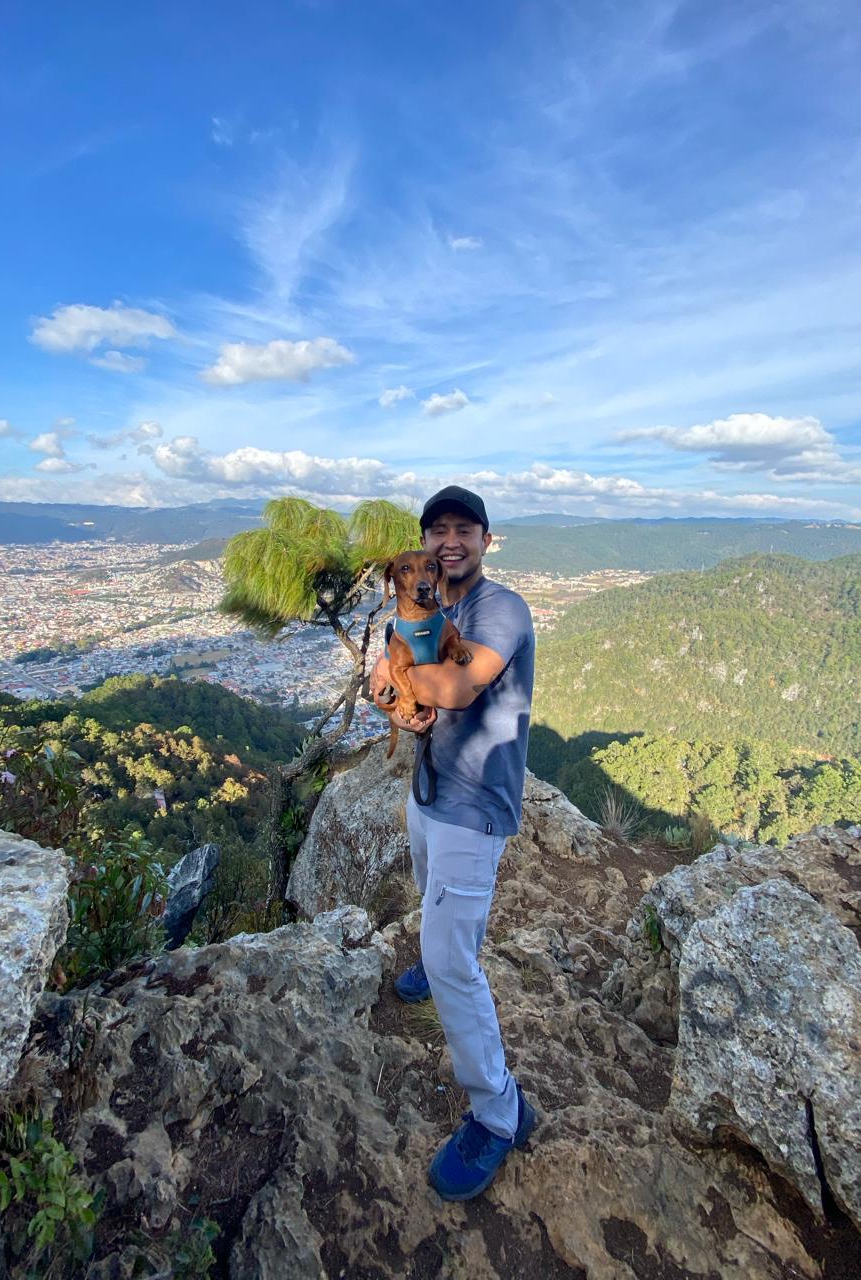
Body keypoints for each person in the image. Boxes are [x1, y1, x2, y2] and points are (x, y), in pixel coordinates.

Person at [370, 484, 537, 1200]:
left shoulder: (500, 608)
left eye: (463, 529)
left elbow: (463, 688)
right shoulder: (433, 606)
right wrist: (391, 684)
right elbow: (385, 671)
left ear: (484, 540)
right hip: (431, 787)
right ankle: (439, 954)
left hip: (476, 805)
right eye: (436, 531)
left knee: (449, 960)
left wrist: (405, 682)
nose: (449, 542)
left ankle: (498, 1116)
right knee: (426, 885)